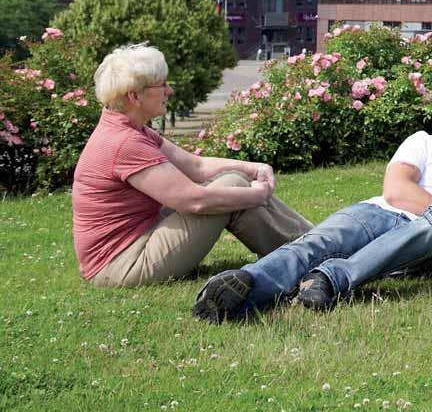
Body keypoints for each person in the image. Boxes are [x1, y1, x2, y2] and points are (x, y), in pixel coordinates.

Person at [192, 79, 432, 323]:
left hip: (425, 241)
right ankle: (239, 294)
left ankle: (333, 278)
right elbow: (396, 190)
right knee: (315, 244)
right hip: (377, 213)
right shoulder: (424, 142)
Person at [72, 44, 313, 287]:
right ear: (135, 96)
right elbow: (194, 200)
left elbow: (196, 166)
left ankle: (315, 242)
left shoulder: (129, 129)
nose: (170, 90)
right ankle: (315, 251)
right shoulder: (124, 142)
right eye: (162, 85)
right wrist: (256, 194)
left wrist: (253, 168)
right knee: (232, 187)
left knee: (235, 180)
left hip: (133, 244)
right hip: (121, 264)